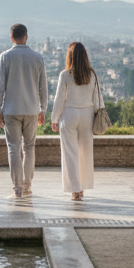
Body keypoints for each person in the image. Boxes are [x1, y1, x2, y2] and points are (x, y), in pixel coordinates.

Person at [0, 23, 47, 198]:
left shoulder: (5, 57)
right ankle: (28, 186)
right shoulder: (38, 57)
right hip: (32, 109)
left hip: (11, 109)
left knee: (14, 148)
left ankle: (17, 188)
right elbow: (43, 87)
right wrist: (43, 109)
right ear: (26, 36)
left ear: (11, 38)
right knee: (29, 147)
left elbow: (0, 86)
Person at [50, 41, 103, 201]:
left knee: (70, 154)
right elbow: (97, 99)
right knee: (85, 153)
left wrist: (54, 118)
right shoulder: (91, 74)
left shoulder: (65, 75)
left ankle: (75, 190)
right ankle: (83, 188)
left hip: (69, 114)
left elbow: (59, 99)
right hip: (87, 114)